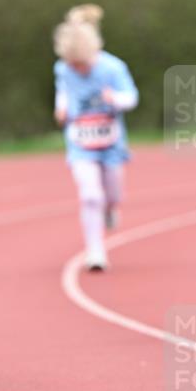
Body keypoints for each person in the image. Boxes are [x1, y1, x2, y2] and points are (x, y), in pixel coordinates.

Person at [53, 14, 138, 271]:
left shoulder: (113, 68)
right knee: (90, 196)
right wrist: (62, 108)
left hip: (111, 142)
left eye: (83, 64)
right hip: (80, 142)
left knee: (112, 194)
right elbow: (64, 92)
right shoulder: (63, 69)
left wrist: (115, 99)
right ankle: (95, 251)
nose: (78, 69)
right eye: (73, 64)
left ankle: (111, 208)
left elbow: (132, 97)